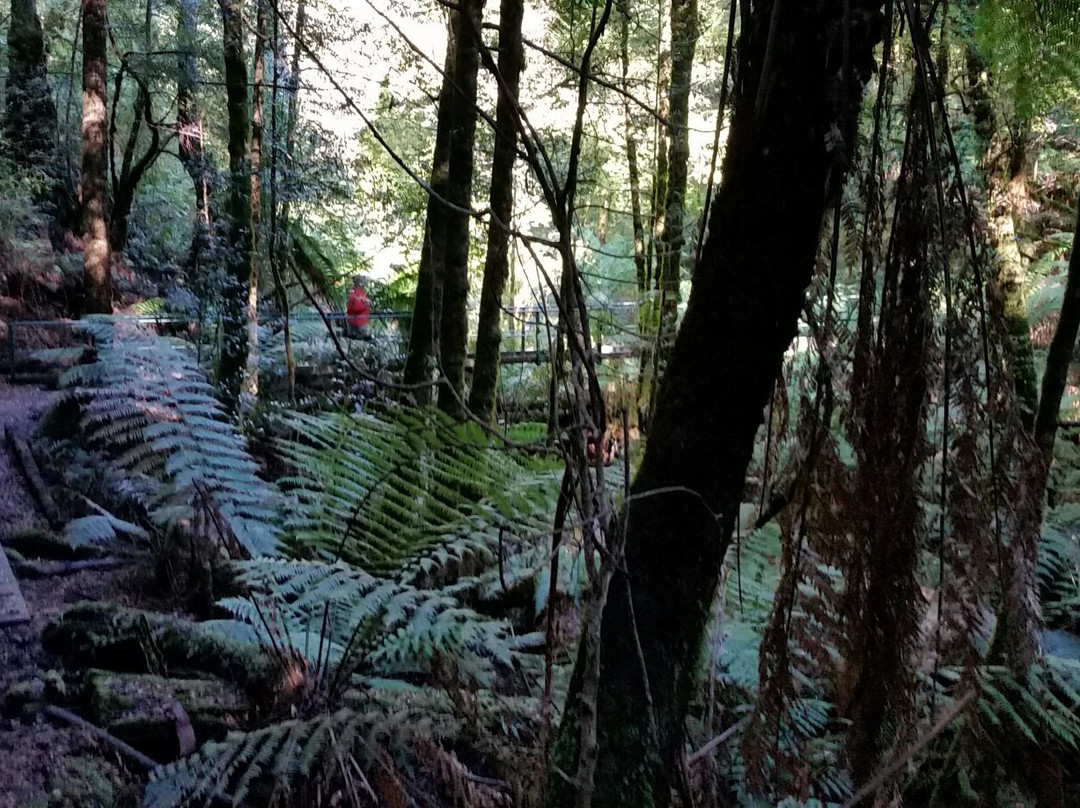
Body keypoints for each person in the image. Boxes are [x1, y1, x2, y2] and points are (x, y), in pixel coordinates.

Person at [345, 275, 371, 340]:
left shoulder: (354, 293)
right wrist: (366, 304)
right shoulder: (356, 294)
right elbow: (356, 307)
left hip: (356, 321)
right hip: (359, 322)